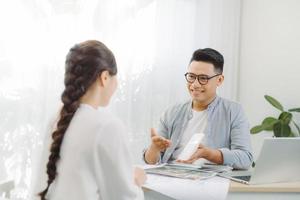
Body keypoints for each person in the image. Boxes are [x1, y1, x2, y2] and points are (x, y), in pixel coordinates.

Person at [38, 40, 145, 200]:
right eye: (116, 78)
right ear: (105, 77)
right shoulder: (107, 126)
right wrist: (136, 182)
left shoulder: (56, 117)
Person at [144, 48, 253, 169]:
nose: (195, 84)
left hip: (212, 181)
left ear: (219, 80)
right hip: (172, 177)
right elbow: (151, 162)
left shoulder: (234, 111)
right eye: (191, 76)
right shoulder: (171, 112)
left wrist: (210, 154)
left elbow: (245, 158)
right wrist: (153, 149)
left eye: (203, 78)